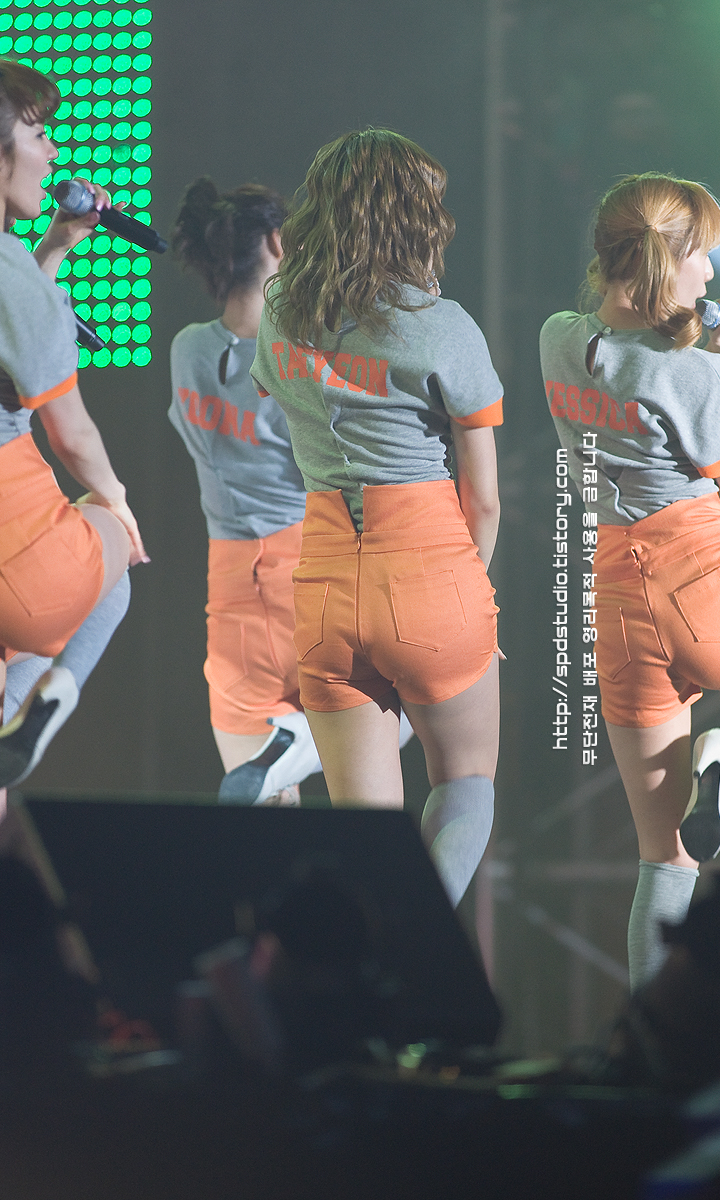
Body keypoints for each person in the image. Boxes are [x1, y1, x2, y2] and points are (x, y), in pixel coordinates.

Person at [540, 172, 720, 988]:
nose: (712, 272)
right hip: (704, 582)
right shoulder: (693, 378)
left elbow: (636, 375)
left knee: (664, 859)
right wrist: (706, 362)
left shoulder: (557, 339)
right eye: (703, 256)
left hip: (618, 605)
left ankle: (644, 1034)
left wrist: (701, 347)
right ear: (668, 260)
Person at [250, 128, 502, 907]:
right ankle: (420, 953)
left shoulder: (280, 312)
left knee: (367, 835)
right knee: (465, 784)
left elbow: (276, 402)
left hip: (325, 585)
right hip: (429, 570)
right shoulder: (443, 325)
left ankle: (369, 966)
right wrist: (468, 599)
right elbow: (485, 498)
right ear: (411, 217)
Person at [0, 59, 146, 795]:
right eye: (37, 134)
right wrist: (117, 502)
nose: (53, 151)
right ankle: (52, 695)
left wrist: (54, 249)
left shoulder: (16, 273)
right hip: (22, 551)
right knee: (110, 540)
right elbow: (72, 433)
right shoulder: (9, 274)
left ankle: (18, 718)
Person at [170, 178, 324, 804]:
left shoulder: (187, 350)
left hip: (231, 592)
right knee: (398, 717)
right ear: (278, 242)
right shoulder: (300, 361)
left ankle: (284, 754)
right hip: (310, 575)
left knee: (261, 822)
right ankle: (300, 745)